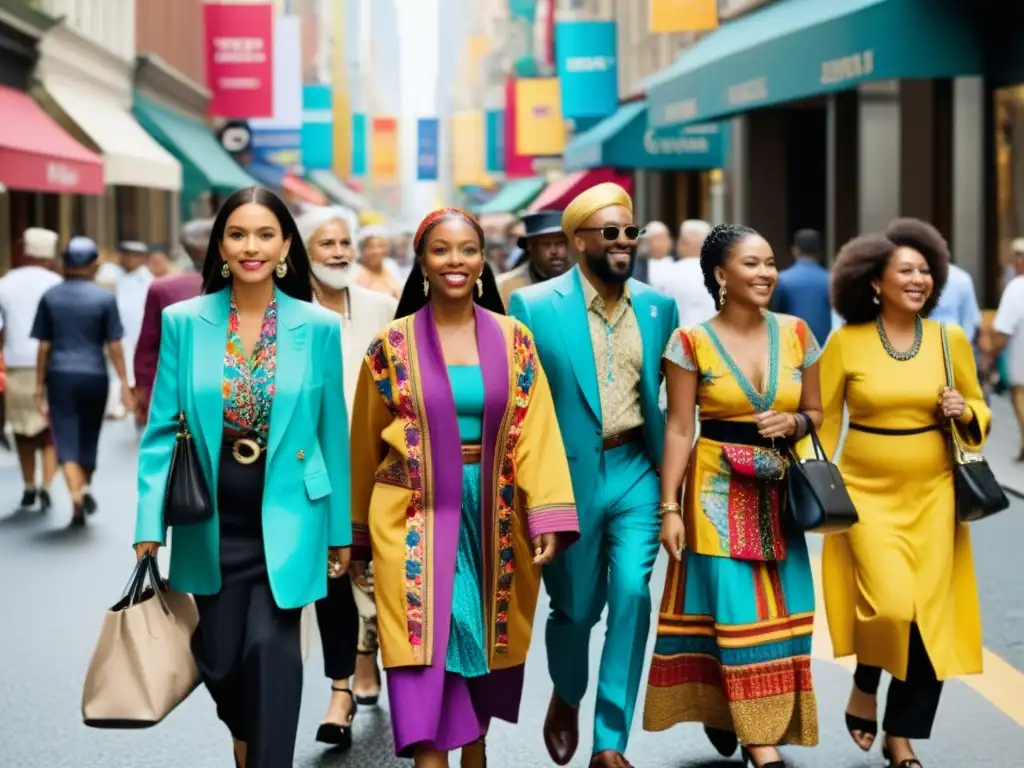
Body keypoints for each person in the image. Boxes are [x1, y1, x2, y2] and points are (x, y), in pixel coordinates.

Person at [349, 207, 579, 767]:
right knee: (425, 641)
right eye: (441, 250)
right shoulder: (389, 347)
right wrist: (354, 535)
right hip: (412, 511)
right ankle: (433, 758)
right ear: (422, 262)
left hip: (492, 512)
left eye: (467, 250)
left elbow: (538, 431)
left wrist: (547, 511)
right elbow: (363, 445)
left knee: (479, 644)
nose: (455, 260)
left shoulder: (513, 340)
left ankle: (474, 749)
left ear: (484, 261)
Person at [133, 187, 351, 768]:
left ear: (284, 246)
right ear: (220, 246)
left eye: (264, 235)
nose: (250, 246)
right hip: (208, 519)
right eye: (237, 235)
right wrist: (147, 522)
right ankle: (249, 739)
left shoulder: (319, 327)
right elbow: (161, 431)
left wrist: (339, 532)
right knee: (224, 664)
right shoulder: (184, 321)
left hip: (292, 518)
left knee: (274, 659)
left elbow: (333, 434)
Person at [509, 183, 678, 768]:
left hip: (637, 469)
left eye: (630, 231)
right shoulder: (533, 307)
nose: (624, 242)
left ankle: (610, 741)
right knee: (577, 609)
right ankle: (568, 693)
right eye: (609, 233)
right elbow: (522, 406)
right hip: (568, 478)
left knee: (632, 594)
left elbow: (668, 400)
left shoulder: (659, 308)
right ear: (578, 240)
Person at [643, 224, 822, 768]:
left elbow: (816, 414)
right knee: (737, 613)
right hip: (714, 492)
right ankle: (758, 741)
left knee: (788, 613)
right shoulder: (689, 343)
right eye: (752, 263)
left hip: (779, 492)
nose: (766, 272)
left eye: (770, 262)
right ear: (722, 275)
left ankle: (741, 718)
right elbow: (678, 428)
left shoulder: (797, 333)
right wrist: (669, 507)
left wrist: (793, 419)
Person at [820, 219, 989, 768]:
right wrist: (813, 481)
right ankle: (865, 682)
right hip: (866, 494)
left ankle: (902, 735)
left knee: (929, 618)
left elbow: (979, 406)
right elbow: (821, 420)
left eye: (925, 272)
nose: (918, 280)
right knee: (889, 607)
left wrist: (965, 412)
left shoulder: (949, 339)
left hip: (935, 492)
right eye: (905, 271)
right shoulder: (846, 343)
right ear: (874, 281)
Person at [295, 206, 396, 749]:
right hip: (315, 473)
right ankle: (343, 686)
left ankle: (368, 655)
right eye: (324, 244)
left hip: (384, 467)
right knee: (337, 576)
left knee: (383, 573)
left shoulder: (383, 307)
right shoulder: (287, 312)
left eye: (343, 243)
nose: (338, 252)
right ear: (303, 253)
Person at [32, 237, 132, 526]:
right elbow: (114, 344)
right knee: (90, 433)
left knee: (65, 436)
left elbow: (43, 346)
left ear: (65, 263)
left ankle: (77, 495)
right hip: (95, 374)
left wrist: (39, 385)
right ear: (93, 265)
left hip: (61, 374)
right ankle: (86, 487)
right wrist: (124, 382)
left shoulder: (51, 296)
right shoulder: (104, 298)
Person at [0, 228, 62, 511]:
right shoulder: (57, 283)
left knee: (23, 429)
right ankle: (48, 484)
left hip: (16, 364)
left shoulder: (6, 283)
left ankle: (28, 484)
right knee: (50, 430)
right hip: (54, 365)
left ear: (24, 252)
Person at [133, 219, 214, 425]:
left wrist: (143, 388)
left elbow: (148, 345)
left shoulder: (162, 288)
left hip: (175, 388)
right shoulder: (246, 287)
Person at [496, 210, 570, 307]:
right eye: (546, 244)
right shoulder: (505, 287)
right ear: (531, 246)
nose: (554, 251)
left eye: (560, 243)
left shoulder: (583, 279)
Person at [772, 229, 832, 346]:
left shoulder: (782, 279)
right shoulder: (831, 280)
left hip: (792, 346)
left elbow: (775, 316)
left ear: (795, 250)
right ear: (821, 252)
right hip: (824, 348)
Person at [663, 219, 717, 327]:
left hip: (680, 338)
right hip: (714, 338)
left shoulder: (668, 272)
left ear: (683, 243)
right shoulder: (721, 273)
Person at [356, 223, 402, 298]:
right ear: (362, 250)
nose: (377, 251)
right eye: (371, 247)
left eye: (381, 246)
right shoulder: (358, 272)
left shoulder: (390, 266)